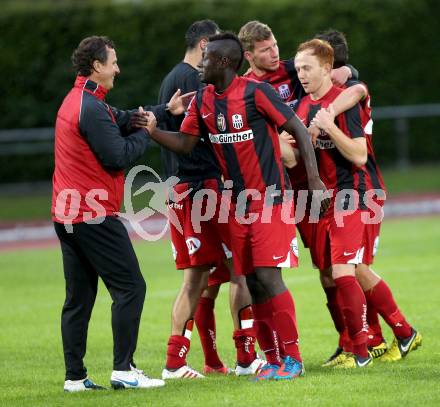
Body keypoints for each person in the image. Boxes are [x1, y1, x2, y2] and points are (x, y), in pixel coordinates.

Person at [146, 32, 329, 381]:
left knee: (268, 277)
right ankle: (273, 359)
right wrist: (155, 131)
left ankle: (293, 358)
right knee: (252, 281)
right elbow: (186, 143)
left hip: (270, 200)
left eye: (208, 59)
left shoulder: (256, 92)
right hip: (235, 205)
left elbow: (298, 131)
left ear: (225, 63)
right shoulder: (201, 101)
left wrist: (315, 180)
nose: (200, 65)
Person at [52, 35, 189, 391]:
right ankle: (124, 371)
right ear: (97, 66)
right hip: (91, 213)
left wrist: (160, 112)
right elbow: (117, 155)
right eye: (113, 61)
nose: (118, 67)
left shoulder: (82, 100)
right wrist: (151, 132)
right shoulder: (91, 107)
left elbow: (126, 118)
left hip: (67, 213)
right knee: (131, 287)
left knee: (79, 298)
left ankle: (75, 378)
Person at [157, 20, 264, 379]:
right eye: (215, 49)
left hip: (182, 190)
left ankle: (197, 361)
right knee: (236, 271)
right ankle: (244, 358)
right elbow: (202, 136)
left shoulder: (172, 78)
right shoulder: (197, 81)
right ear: (205, 46)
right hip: (203, 189)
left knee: (202, 277)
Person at [312, 29, 422, 365]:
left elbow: (358, 92)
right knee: (352, 268)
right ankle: (397, 334)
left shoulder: (349, 94)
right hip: (343, 193)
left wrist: (325, 121)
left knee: (350, 267)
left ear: (329, 64)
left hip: (361, 190)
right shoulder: (337, 92)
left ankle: (381, 338)